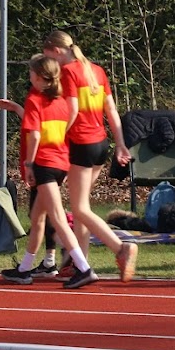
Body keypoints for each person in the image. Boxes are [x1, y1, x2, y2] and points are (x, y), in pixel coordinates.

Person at [41, 29, 139, 283]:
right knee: (80, 205)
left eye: (47, 55)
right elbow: (111, 109)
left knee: (80, 208)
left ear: (56, 51)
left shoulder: (68, 72)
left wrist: (57, 137)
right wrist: (120, 143)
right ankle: (79, 261)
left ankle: (121, 248)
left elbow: (71, 110)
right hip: (100, 144)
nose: (48, 62)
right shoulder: (96, 70)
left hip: (81, 144)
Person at [0, 55, 97, 289]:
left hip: (45, 163)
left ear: (40, 77)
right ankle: (24, 269)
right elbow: (42, 125)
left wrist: (29, 164)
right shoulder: (61, 100)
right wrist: (17, 109)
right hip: (60, 163)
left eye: (31, 73)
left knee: (58, 218)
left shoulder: (35, 98)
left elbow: (35, 134)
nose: (29, 76)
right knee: (37, 217)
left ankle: (84, 268)